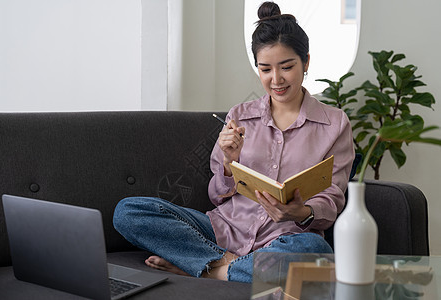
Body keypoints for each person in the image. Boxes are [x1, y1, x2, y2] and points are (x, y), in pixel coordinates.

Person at [113, 1, 355, 283]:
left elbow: (332, 200)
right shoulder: (240, 115)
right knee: (129, 211)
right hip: (223, 230)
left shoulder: (334, 124)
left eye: (286, 67)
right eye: (265, 69)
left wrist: (299, 211)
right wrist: (229, 163)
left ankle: (209, 268)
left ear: (306, 62)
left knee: (314, 250)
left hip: (285, 238)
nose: (276, 79)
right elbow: (217, 195)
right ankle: (228, 266)